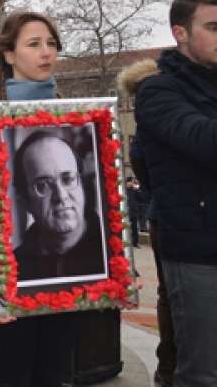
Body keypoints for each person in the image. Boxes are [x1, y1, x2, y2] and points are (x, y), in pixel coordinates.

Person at [0, 11, 80, 386]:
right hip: (7, 267)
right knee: (15, 374)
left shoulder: (68, 110)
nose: (47, 53)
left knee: (55, 373)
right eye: (34, 44)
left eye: (52, 44)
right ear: (9, 55)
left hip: (65, 268)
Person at [135, 0, 217, 387]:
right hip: (196, 250)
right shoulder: (157, 91)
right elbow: (204, 141)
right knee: (202, 372)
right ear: (180, 33)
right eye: (214, 27)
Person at [119, 60, 175, 387]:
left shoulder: (146, 120)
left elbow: (141, 166)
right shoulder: (163, 114)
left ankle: (167, 369)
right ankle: (168, 369)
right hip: (170, 214)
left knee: (169, 297)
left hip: (163, 211)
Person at [11, 132, 106, 282]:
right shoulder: (12, 269)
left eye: (68, 179)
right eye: (43, 185)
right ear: (25, 201)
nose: (61, 196)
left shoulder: (112, 254)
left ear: (82, 185)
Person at [124, 176, 141, 247]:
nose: (132, 183)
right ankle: (125, 242)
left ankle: (135, 243)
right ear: (127, 182)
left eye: (132, 181)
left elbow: (141, 198)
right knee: (125, 227)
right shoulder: (124, 190)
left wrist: (137, 190)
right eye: (131, 181)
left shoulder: (134, 190)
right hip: (126, 212)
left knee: (135, 228)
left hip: (134, 211)